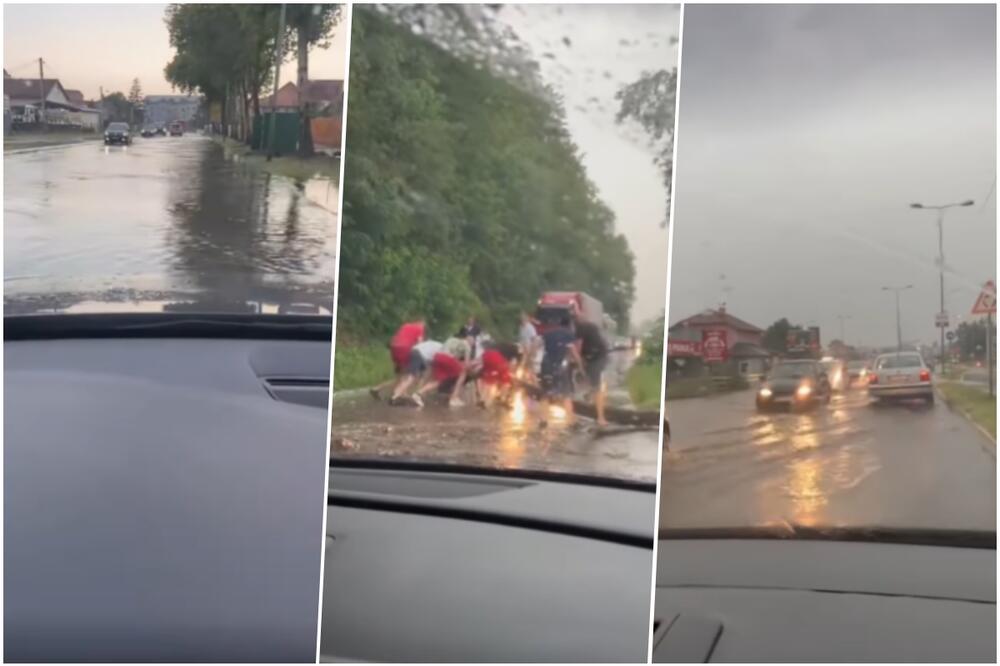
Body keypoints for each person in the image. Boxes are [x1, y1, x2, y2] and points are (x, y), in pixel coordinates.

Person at [370, 318, 425, 401]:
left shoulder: (405, 325)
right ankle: (397, 394)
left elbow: (398, 336)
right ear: (421, 322)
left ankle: (379, 389)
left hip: (394, 348)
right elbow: (420, 343)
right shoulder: (419, 328)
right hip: (405, 349)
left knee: (400, 375)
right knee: (406, 376)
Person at [538, 315, 578, 425]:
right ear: (569, 325)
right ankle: (570, 421)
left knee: (545, 394)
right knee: (566, 394)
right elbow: (573, 351)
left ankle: (543, 420)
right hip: (560, 366)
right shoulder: (569, 334)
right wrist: (580, 365)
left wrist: (527, 361)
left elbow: (535, 345)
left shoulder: (547, 334)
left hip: (546, 365)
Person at [414, 337, 471, 408]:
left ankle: (418, 394)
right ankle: (454, 398)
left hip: (437, 357)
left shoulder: (451, 339)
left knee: (439, 381)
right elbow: (466, 363)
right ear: (469, 340)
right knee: (463, 372)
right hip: (447, 358)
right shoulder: (467, 345)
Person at [574, 318, 610, 427]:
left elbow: (577, 348)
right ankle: (590, 395)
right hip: (599, 356)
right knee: (589, 381)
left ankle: (600, 418)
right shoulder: (588, 325)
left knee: (596, 386)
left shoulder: (580, 328)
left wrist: (579, 364)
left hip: (596, 357)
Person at [390, 338, 442, 403]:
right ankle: (396, 396)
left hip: (412, 352)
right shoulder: (441, 347)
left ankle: (403, 393)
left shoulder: (431, 343)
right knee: (412, 377)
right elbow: (433, 362)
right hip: (419, 356)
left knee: (415, 375)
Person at [474, 342, 520, 408]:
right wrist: (512, 374)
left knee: (487, 380)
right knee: (505, 382)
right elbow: (511, 365)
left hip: (487, 356)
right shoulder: (514, 352)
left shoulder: (498, 345)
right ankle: (501, 399)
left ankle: (481, 398)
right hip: (498, 361)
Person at [517, 311, 540, 380]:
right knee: (525, 367)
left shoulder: (529, 327)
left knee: (530, 367)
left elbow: (535, 340)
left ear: (526, 319)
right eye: (521, 318)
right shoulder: (521, 327)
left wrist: (533, 351)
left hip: (529, 350)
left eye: (523, 318)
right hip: (524, 351)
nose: (522, 320)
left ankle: (534, 380)